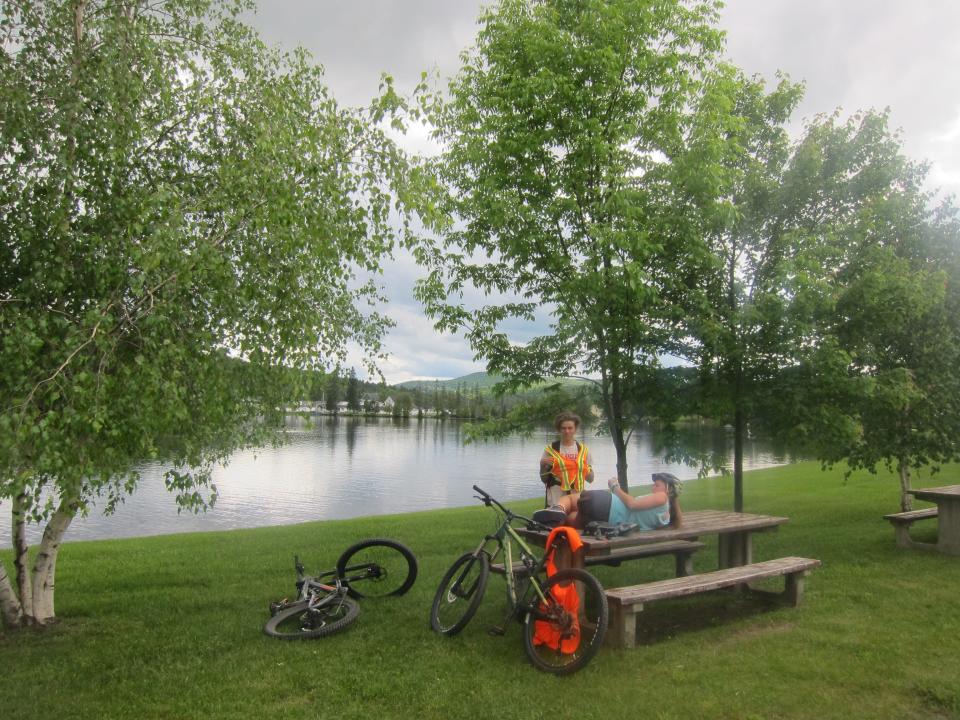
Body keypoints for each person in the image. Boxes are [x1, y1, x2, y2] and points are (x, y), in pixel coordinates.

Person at [535, 472, 683, 530]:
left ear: (668, 490)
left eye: (657, 484)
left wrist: (615, 487)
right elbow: (677, 523)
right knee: (569, 519)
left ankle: (557, 509)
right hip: (607, 522)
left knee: (567, 499)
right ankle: (554, 520)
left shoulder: (662, 497)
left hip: (606, 504)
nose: (653, 487)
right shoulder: (665, 519)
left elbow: (632, 504)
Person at [538, 411, 594, 507]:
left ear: (575, 429)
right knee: (557, 521)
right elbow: (544, 480)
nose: (567, 431)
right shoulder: (551, 450)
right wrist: (542, 466)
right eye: (563, 428)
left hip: (577, 499)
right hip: (556, 500)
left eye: (570, 428)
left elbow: (590, 479)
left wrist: (583, 469)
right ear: (559, 430)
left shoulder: (583, 450)